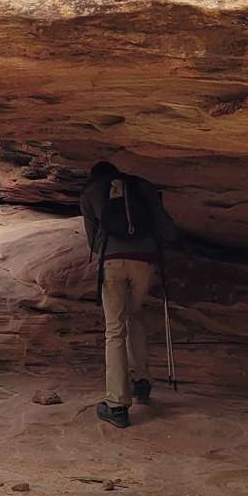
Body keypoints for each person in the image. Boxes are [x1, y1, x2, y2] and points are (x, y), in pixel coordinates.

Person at [80, 160, 178, 429]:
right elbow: (164, 225)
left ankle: (117, 404)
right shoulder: (141, 185)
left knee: (115, 329)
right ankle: (141, 382)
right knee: (135, 315)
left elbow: (92, 240)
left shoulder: (90, 192)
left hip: (113, 261)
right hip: (144, 260)